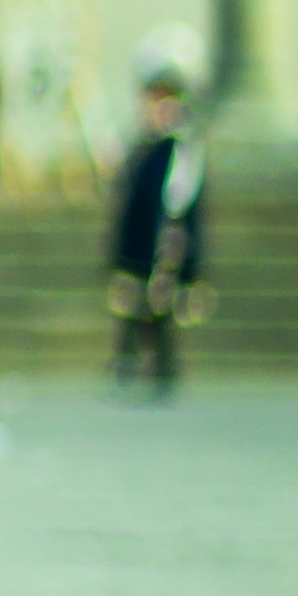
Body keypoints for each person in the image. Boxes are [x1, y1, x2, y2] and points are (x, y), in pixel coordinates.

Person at [108, 52, 207, 394]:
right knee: (135, 303)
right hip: (140, 247)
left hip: (164, 244)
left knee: (160, 304)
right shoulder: (144, 148)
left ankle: (160, 365)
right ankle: (136, 361)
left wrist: (190, 266)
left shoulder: (178, 149)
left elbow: (180, 203)